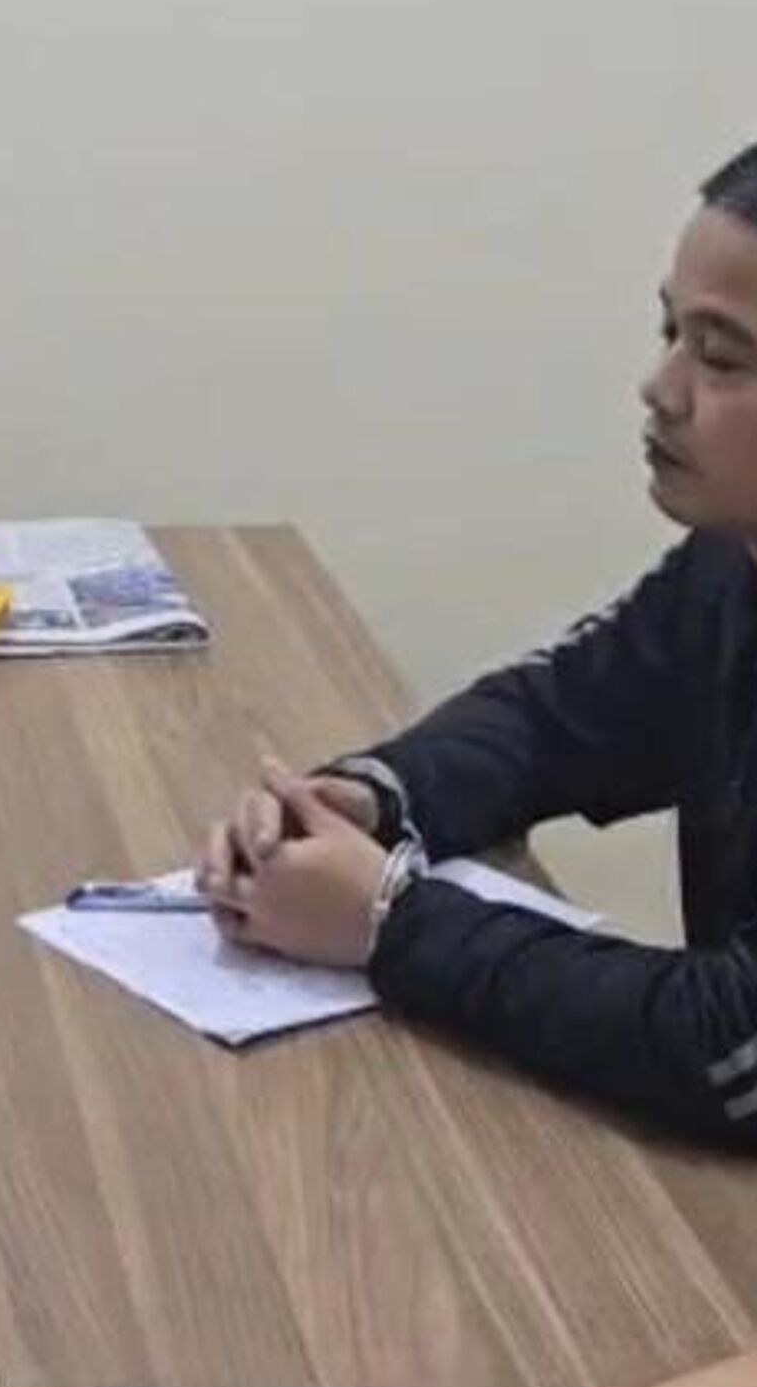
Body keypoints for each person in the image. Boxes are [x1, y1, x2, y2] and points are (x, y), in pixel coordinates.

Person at [193, 138, 757, 1153]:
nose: (660, 386)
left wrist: (389, 920)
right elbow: (552, 717)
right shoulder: (729, 564)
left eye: (722, 358)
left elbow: (727, 1047)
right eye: (669, 330)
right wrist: (366, 799)